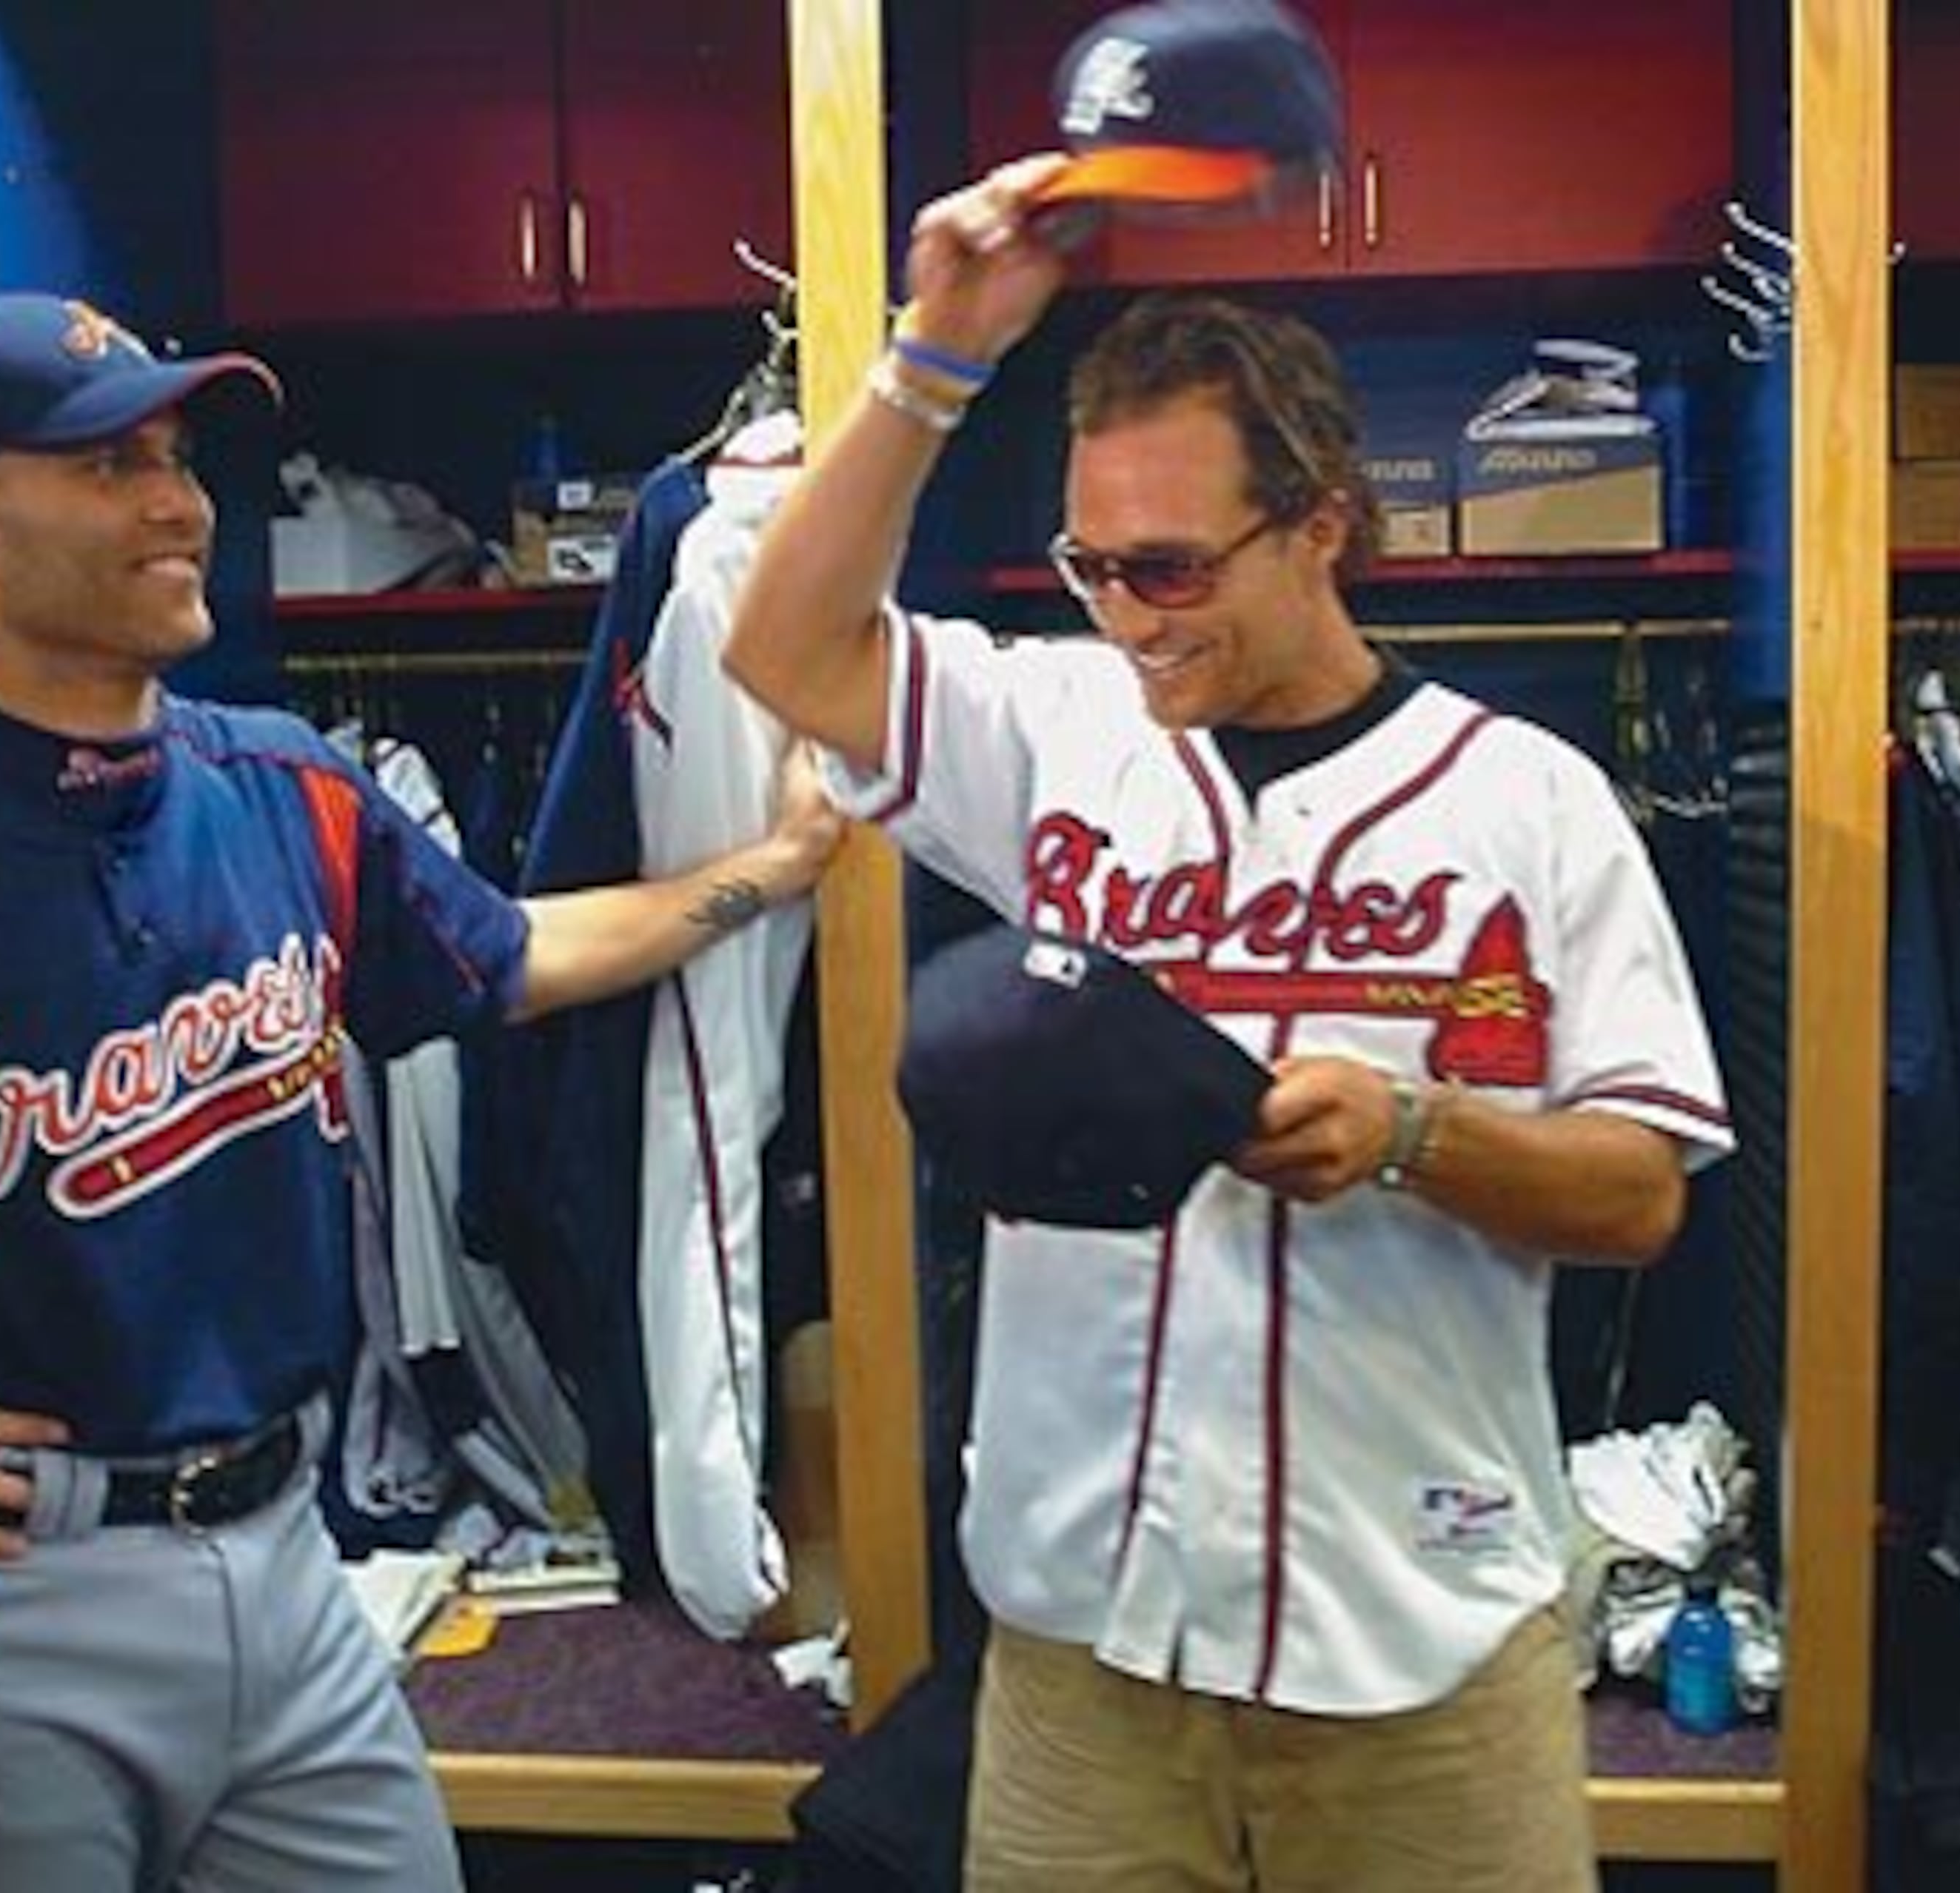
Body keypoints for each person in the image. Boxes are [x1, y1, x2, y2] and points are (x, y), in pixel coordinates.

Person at [720, 154, 1733, 1893]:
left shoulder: (1530, 801)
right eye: (1093, 564)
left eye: (1173, 568)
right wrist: (931, 355)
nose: (1129, 615)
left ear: (1324, 521)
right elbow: (786, 643)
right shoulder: (1064, 730)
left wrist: (1413, 1135)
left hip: (1420, 1655)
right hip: (1082, 1645)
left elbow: (1641, 1195)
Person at [0, 291, 844, 1892]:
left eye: (171, 455)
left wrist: (768, 870)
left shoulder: (288, 784)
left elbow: (514, 956)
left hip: (291, 1560)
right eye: (102, 467)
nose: (177, 501)